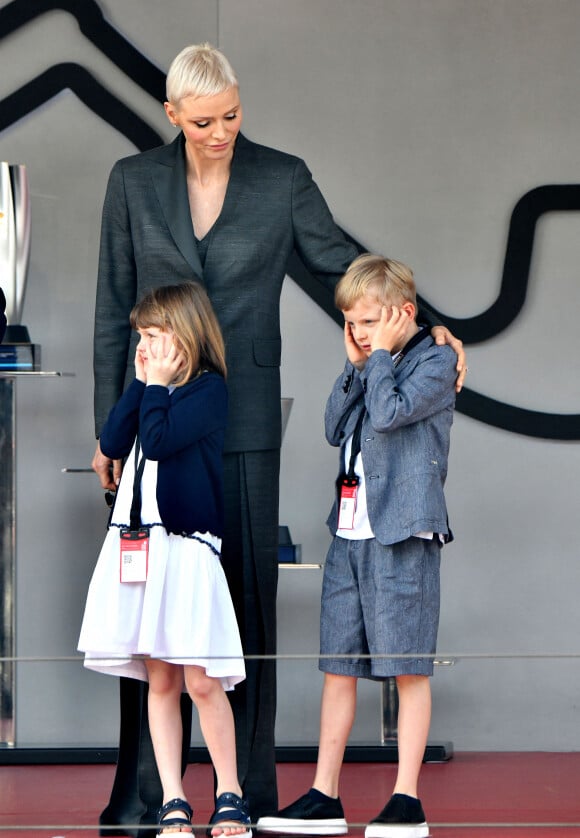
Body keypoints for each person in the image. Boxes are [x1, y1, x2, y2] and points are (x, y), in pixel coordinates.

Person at [91, 43, 467, 834]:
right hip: (154, 421)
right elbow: (111, 307)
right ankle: (149, 793)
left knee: (245, 608)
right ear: (172, 116)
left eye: (232, 114)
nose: (222, 130)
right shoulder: (131, 183)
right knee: (151, 611)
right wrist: (109, 431)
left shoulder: (283, 176)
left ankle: (245, 791)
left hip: (246, 416)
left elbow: (343, 265)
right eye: (204, 121)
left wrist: (430, 326)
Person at [257, 254, 457, 838]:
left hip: (402, 531)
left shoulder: (436, 361)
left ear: (403, 313)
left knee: (408, 667)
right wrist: (354, 365)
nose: (360, 334)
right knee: (338, 665)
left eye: (368, 322)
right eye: (351, 324)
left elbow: (392, 413)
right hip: (349, 531)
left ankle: (406, 798)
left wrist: (382, 360)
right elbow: (332, 427)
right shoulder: (369, 361)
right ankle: (325, 794)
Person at [80, 281, 252, 838]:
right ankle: (173, 797)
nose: (146, 346)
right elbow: (113, 438)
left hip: (184, 547)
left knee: (201, 680)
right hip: (142, 545)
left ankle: (230, 791)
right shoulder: (149, 385)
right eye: (141, 337)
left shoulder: (208, 391)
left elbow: (156, 441)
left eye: (155, 335)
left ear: (186, 334)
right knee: (160, 678)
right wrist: (140, 383)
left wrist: (153, 386)